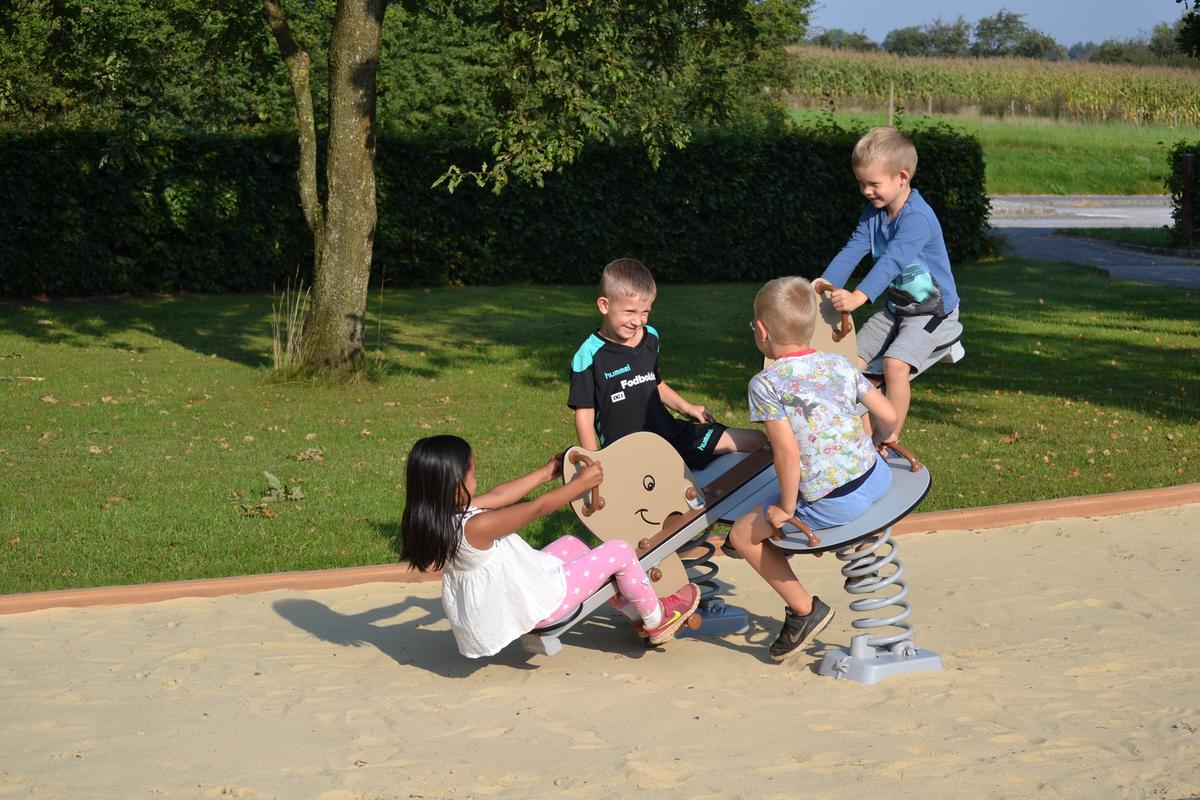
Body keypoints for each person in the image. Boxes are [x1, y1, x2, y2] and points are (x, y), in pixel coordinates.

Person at [401, 434, 701, 657]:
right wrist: (580, 485)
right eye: (472, 474)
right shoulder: (476, 527)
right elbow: (537, 509)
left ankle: (634, 609)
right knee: (619, 551)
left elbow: (499, 495)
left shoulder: (442, 517)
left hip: (524, 591)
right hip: (541, 606)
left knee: (572, 545)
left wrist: (546, 473)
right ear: (453, 481)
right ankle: (657, 618)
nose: (476, 480)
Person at [727, 277, 899, 662]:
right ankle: (855, 550)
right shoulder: (839, 363)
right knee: (776, 497)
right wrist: (878, 441)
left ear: (762, 331)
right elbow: (888, 414)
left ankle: (805, 611)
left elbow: (786, 455)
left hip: (835, 503)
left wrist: (787, 510)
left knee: (741, 535)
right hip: (877, 478)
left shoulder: (766, 384)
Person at [813, 126, 962, 450]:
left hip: (933, 313)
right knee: (848, 363)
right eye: (861, 183)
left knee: (895, 364)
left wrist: (858, 297)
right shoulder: (874, 215)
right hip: (896, 309)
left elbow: (891, 262)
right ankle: (860, 437)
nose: (866, 191)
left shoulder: (917, 218)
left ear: (902, 177)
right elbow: (852, 250)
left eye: (873, 184)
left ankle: (890, 431)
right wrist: (820, 288)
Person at [568, 257, 766, 470]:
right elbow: (584, 415)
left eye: (645, 312)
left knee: (756, 440)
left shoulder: (650, 337)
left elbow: (653, 382)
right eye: (630, 312)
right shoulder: (588, 356)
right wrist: (595, 465)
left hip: (671, 437)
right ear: (604, 305)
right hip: (630, 457)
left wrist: (687, 408)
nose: (638, 320)